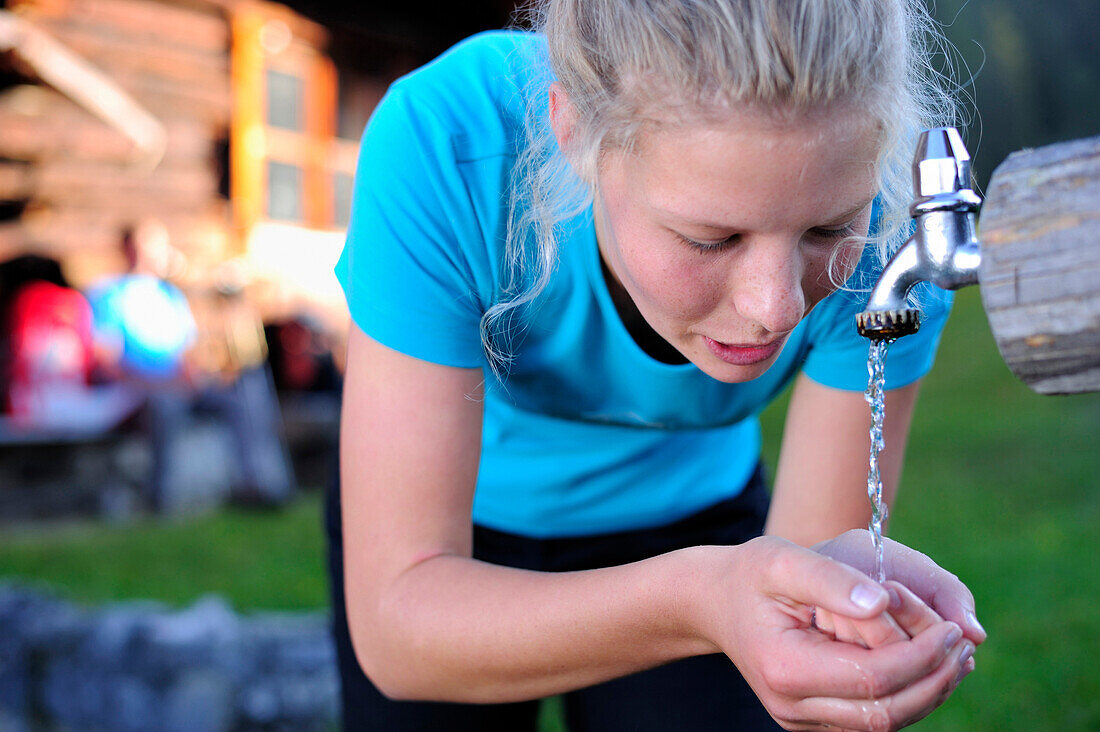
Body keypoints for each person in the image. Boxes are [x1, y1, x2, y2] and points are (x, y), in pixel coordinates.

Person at [328, 1, 986, 730]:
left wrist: (837, 620)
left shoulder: (893, 226)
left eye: (827, 228)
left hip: (697, 518)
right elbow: (400, 628)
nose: (775, 305)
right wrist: (700, 599)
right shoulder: (449, 147)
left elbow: (797, 591)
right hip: (459, 528)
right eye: (710, 239)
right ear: (573, 129)